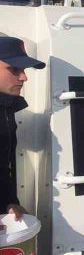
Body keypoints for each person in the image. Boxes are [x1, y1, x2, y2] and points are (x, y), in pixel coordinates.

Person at [1, 36, 45, 221]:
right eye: (14, 69)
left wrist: (9, 202)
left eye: (24, 70)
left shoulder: (6, 109)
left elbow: (3, 168)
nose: (24, 77)